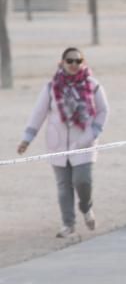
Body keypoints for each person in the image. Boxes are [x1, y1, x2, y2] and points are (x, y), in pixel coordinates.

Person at [17, 47, 110, 238]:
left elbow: (103, 110)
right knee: (63, 186)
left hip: (84, 143)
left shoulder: (93, 85)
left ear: (83, 62)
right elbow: (38, 113)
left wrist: (94, 131)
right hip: (57, 144)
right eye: (70, 60)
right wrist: (27, 138)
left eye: (78, 60)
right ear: (62, 63)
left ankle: (86, 207)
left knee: (83, 181)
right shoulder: (51, 87)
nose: (74, 64)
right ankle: (68, 224)